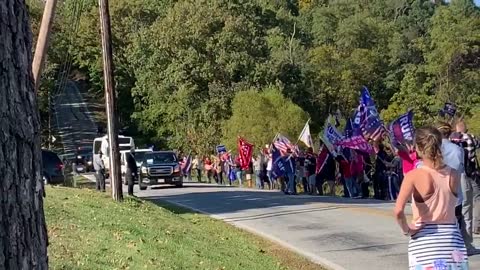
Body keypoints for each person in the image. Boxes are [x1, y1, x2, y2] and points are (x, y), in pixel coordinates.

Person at [394, 126, 468, 269]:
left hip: (425, 242)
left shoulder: (413, 176)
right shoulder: (454, 174)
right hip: (452, 240)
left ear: (418, 147)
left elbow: (398, 211)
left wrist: (407, 230)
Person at [451, 120, 480, 253]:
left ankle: (464, 239)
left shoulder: (451, 140)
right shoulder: (471, 137)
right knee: (476, 199)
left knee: (464, 206)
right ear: (465, 128)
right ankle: (475, 228)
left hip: (458, 173)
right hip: (471, 173)